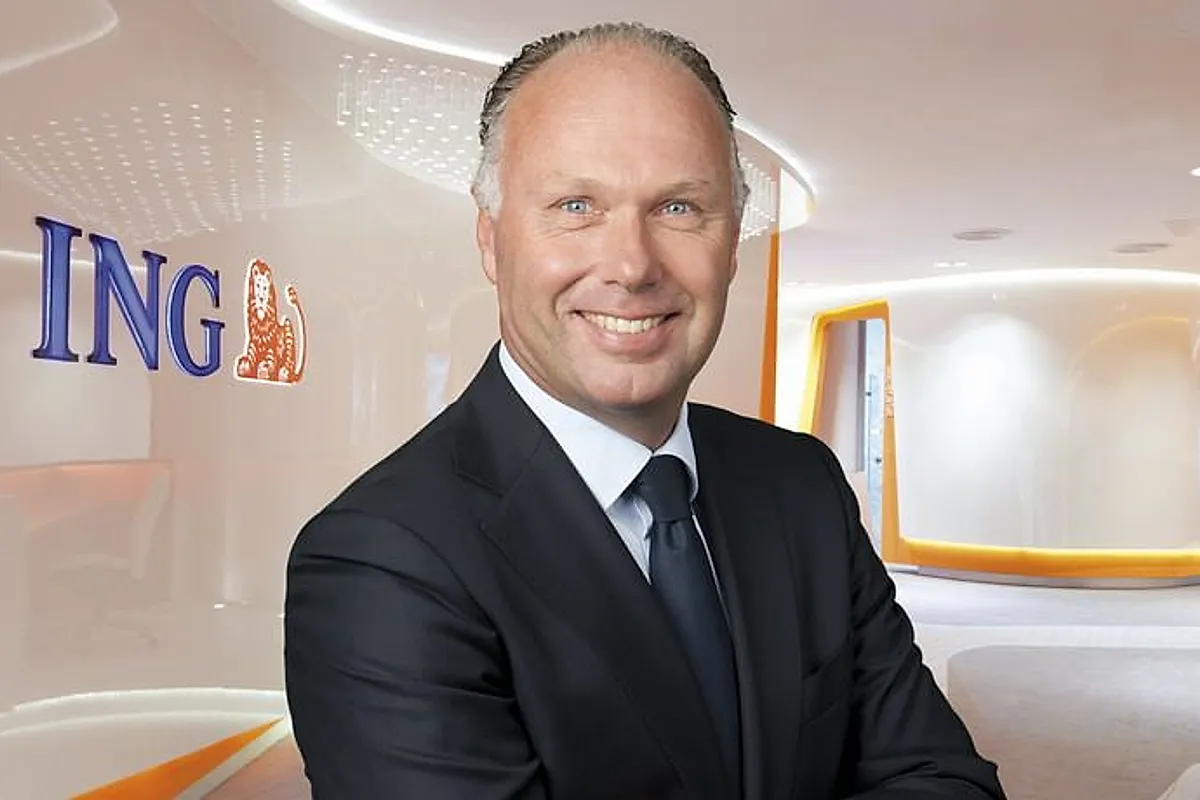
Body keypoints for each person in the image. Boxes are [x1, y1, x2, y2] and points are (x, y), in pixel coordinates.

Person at [283, 21, 1007, 800]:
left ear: (731, 244)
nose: (631, 266)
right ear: (491, 240)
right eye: (576, 205)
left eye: (678, 207)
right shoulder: (382, 561)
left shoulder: (802, 484)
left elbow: (945, 779)